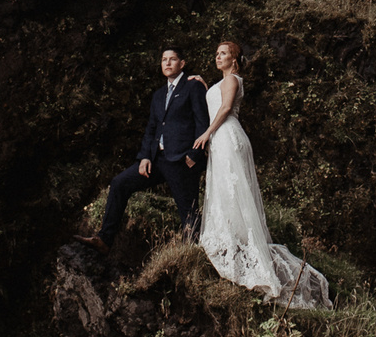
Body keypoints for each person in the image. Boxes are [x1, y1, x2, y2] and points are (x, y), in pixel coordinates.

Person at [192, 41, 331, 308]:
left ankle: (244, 246)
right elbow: (213, 98)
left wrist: (207, 133)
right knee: (223, 188)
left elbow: (224, 108)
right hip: (220, 139)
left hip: (228, 135)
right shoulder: (221, 81)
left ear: (234, 59)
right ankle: (231, 239)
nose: (217, 56)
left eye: (223, 53)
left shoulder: (233, 79)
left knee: (233, 188)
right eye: (217, 53)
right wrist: (201, 85)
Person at [89, 47, 208, 245]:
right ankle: (104, 240)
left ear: (182, 64)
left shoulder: (192, 87)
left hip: (181, 160)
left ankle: (194, 255)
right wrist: (144, 156)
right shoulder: (159, 95)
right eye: (164, 60)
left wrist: (194, 155)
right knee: (119, 183)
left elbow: (202, 122)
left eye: (172, 59)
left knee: (188, 212)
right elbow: (152, 128)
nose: (167, 63)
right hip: (156, 159)